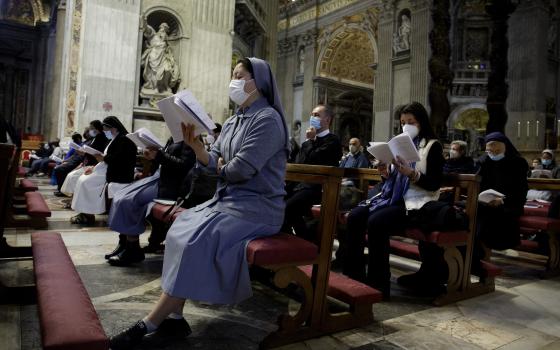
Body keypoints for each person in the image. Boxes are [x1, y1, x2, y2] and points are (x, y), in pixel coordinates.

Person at [109, 57, 289, 349]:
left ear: (257, 82)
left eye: (238, 76)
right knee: (179, 232)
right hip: (229, 201)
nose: (234, 81)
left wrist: (220, 165)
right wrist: (196, 147)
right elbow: (212, 161)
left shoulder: (267, 119)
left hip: (258, 208)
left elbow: (240, 169)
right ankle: (175, 320)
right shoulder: (233, 120)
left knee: (195, 240)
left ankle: (150, 322)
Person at [342, 102, 444, 298]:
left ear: (421, 122)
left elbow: (434, 184)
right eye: (403, 122)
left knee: (376, 222)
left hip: (416, 203)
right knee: (355, 216)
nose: (406, 126)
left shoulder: (432, 146)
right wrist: (384, 172)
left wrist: (412, 173)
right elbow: (391, 178)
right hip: (391, 198)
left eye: (411, 122)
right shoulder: (397, 144)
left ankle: (378, 283)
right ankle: (353, 275)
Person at [105, 137, 196, 266]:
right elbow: (164, 159)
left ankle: (132, 248)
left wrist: (159, 155)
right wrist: (152, 157)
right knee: (120, 195)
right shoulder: (173, 137)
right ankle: (124, 244)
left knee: (128, 200)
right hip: (158, 178)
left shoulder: (190, 139)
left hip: (170, 185)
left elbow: (184, 166)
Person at [282, 104, 342, 240]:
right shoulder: (305, 144)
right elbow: (300, 164)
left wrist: (311, 140)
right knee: (275, 202)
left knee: (287, 209)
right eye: (312, 115)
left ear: (327, 120)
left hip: (318, 187)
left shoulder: (333, 141)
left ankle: (298, 243)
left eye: (317, 115)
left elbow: (316, 159)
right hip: (299, 185)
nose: (312, 118)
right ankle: (303, 242)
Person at [472, 132, 528, 266]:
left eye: (493, 146)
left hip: (509, 203)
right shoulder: (484, 161)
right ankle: (473, 254)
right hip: (486, 202)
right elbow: (477, 182)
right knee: (472, 211)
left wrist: (503, 200)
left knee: (488, 217)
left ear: (504, 146)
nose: (490, 150)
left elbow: (521, 190)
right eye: (488, 147)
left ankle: (480, 257)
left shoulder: (517, 162)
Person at [70, 116, 137, 225]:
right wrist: (94, 167)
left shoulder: (124, 140)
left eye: (105, 129)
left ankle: (88, 214)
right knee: (82, 179)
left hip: (118, 172)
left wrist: (103, 158)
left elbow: (120, 160)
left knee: (86, 182)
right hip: (107, 168)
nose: (104, 132)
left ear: (113, 128)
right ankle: (84, 212)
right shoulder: (114, 139)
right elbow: (107, 157)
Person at [60, 120, 109, 196]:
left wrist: (85, 153)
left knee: (74, 177)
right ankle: (72, 197)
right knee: (71, 176)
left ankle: (74, 198)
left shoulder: (102, 138)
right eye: (90, 128)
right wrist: (83, 153)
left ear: (97, 128)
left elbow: (98, 153)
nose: (90, 130)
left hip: (94, 164)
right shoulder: (94, 138)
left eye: (92, 128)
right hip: (87, 163)